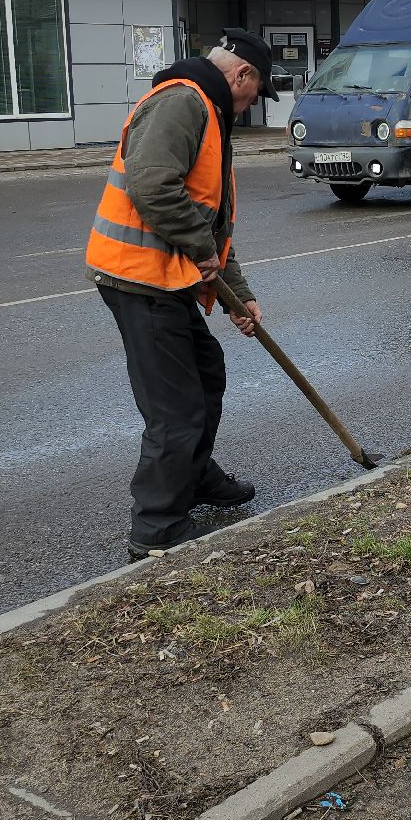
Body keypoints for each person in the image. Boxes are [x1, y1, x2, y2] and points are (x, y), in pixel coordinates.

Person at [86, 28, 277, 558]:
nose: (255, 101)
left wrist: (239, 294)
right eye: (257, 89)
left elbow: (209, 220)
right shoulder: (183, 103)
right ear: (241, 75)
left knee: (206, 371)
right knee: (176, 406)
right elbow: (153, 187)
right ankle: (157, 525)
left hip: (165, 278)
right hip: (138, 277)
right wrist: (200, 249)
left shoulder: (209, 113)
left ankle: (192, 476)